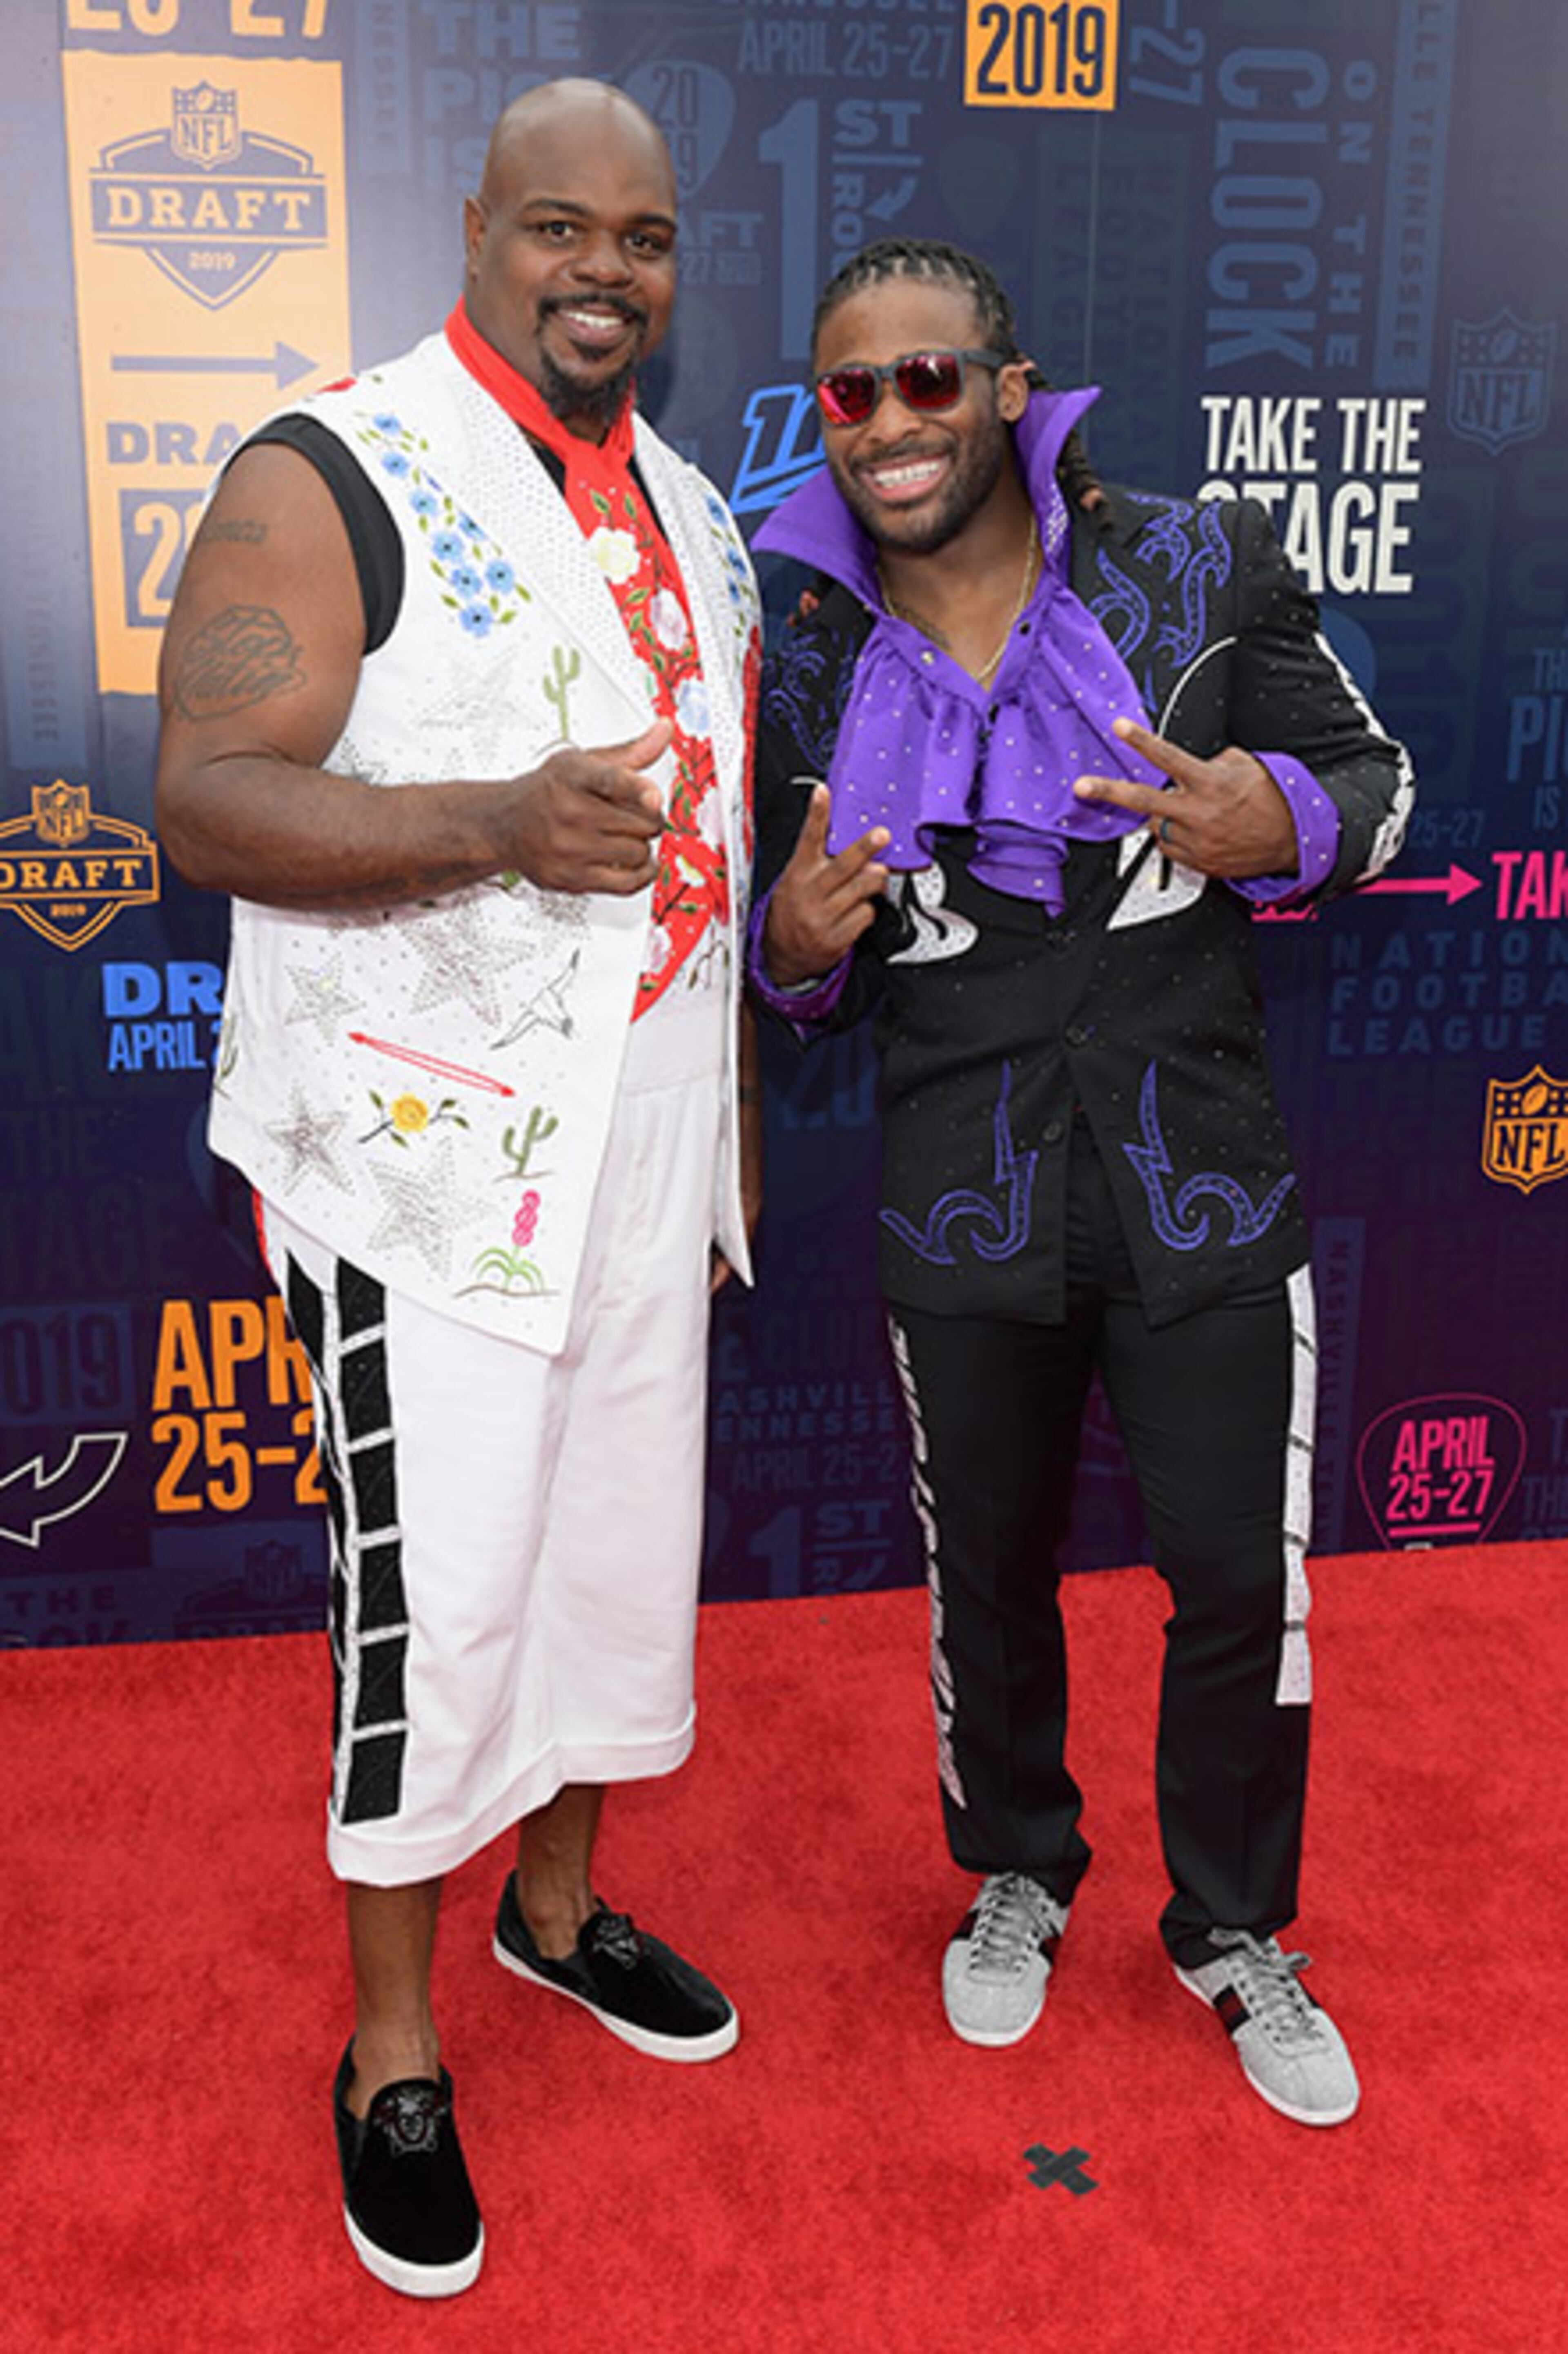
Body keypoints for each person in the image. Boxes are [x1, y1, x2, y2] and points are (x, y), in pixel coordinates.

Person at [155, 80, 762, 2297]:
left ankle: (558, 1909)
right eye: (560, 228)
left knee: (615, 1557)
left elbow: (695, 868)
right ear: (481, 229)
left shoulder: (697, 508)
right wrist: (495, 820)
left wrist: (724, 1142)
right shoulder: (333, 464)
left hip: (646, 1151)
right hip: (421, 1172)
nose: (606, 268)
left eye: (649, 237)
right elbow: (206, 798)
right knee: (438, 1601)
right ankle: (389, 2050)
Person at [750, 238, 1412, 2128]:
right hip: (963, 1193)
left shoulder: (1191, 568)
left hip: (1202, 1177)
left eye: (928, 379)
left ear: (1011, 387)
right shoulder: (799, 648)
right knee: (989, 1581)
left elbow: (1380, 781)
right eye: (850, 393)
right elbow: (811, 976)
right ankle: (1020, 1867)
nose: (889, 422)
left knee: (1235, 1583)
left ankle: (1232, 1928)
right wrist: (794, 941)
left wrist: (1269, 816)